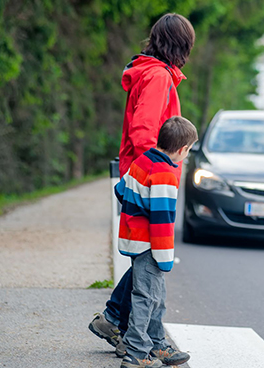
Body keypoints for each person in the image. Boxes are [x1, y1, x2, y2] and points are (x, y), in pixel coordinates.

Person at [88, 12, 195, 359]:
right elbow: (144, 132)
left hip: (141, 174)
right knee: (150, 260)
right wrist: (160, 171)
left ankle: (115, 320)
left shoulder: (151, 72)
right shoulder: (158, 77)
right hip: (150, 179)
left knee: (145, 260)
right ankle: (137, 340)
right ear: (181, 46)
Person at [116, 116, 198, 368]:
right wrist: (165, 258)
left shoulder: (143, 160)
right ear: (182, 150)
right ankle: (137, 352)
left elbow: (121, 189)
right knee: (146, 296)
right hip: (150, 245)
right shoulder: (164, 174)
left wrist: (137, 205)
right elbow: (162, 222)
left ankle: (156, 343)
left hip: (133, 237)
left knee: (155, 295)